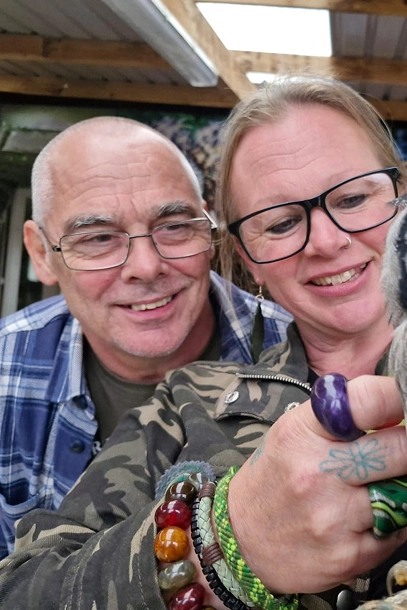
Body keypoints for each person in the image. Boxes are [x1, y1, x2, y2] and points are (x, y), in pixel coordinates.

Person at [0, 76, 407, 609]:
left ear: (405, 198)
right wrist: (224, 545)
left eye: (353, 198)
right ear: (245, 255)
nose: (327, 241)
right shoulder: (189, 402)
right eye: (279, 224)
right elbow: (23, 589)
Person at [0, 116, 292, 558]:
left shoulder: (301, 356)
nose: (146, 266)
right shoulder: (7, 370)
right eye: (99, 238)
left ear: (208, 231)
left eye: (174, 227)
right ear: (42, 253)